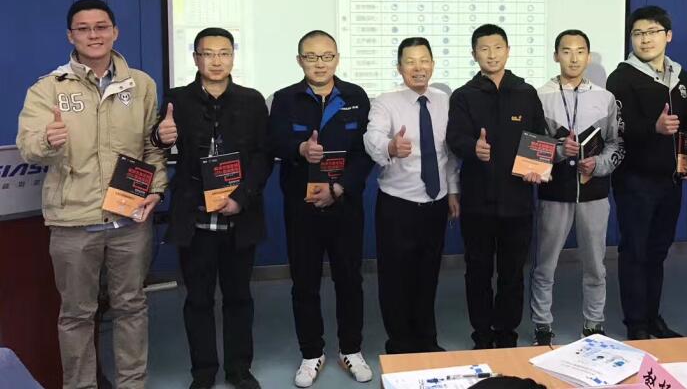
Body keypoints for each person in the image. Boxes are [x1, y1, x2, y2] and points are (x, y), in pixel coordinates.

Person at [16, 0, 168, 389]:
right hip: (73, 221)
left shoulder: (141, 84)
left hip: (129, 219)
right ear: (71, 36)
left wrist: (156, 189)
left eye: (101, 27)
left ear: (115, 31)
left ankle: (132, 384)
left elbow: (151, 148)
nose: (93, 35)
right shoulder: (47, 88)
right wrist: (47, 141)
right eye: (83, 29)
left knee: (131, 307)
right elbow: (29, 148)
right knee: (76, 315)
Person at [152, 28, 271, 389]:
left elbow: (263, 155)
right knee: (198, 300)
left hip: (240, 214)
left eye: (224, 53)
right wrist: (160, 136)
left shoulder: (252, 100)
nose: (216, 61)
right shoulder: (177, 100)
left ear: (233, 56)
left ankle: (239, 370)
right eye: (208, 53)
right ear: (195, 58)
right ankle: (203, 372)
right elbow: (158, 144)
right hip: (195, 218)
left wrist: (242, 198)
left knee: (239, 297)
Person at [268, 30, 374, 387]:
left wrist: (340, 188)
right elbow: (273, 142)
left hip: (345, 205)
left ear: (337, 58)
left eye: (327, 56)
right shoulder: (284, 99)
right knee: (305, 282)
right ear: (300, 60)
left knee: (350, 280)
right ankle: (311, 352)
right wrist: (299, 149)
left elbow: (364, 153)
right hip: (302, 208)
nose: (319, 64)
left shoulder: (356, 97)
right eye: (311, 57)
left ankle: (351, 349)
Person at [446, 24, 547, 349]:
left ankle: (506, 335)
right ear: (474, 54)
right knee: (477, 272)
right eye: (484, 49)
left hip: (518, 201)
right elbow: (454, 138)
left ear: (508, 51)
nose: (491, 55)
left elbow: (540, 137)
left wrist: (537, 168)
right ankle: (482, 334)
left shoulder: (526, 93)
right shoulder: (464, 95)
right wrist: (472, 147)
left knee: (512, 273)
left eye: (497, 47)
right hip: (478, 201)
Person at [606, 5, 687, 340]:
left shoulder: (680, 77)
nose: (644, 39)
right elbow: (617, 128)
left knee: (658, 251)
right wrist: (653, 128)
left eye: (652, 32)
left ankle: (652, 316)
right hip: (635, 179)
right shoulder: (621, 77)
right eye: (638, 33)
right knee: (635, 251)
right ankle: (636, 324)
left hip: (671, 180)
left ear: (668, 36)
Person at [363, 37, 461, 354]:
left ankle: (426, 340)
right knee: (395, 278)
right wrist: (390, 147)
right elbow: (372, 137)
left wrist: (453, 191)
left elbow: (448, 154)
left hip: (435, 203)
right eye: (410, 61)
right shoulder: (385, 102)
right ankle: (400, 343)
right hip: (398, 205)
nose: (418, 68)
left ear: (433, 64)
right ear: (399, 67)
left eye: (424, 60)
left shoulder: (445, 101)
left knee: (427, 274)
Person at [530, 30, 624, 345]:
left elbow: (615, 143)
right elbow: (531, 148)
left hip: (594, 194)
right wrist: (559, 151)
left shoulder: (605, 97)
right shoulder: (540, 96)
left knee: (596, 266)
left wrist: (599, 164)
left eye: (580, 51)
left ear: (588, 55)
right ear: (556, 55)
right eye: (566, 51)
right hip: (554, 194)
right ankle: (542, 325)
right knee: (545, 266)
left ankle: (594, 323)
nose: (573, 58)